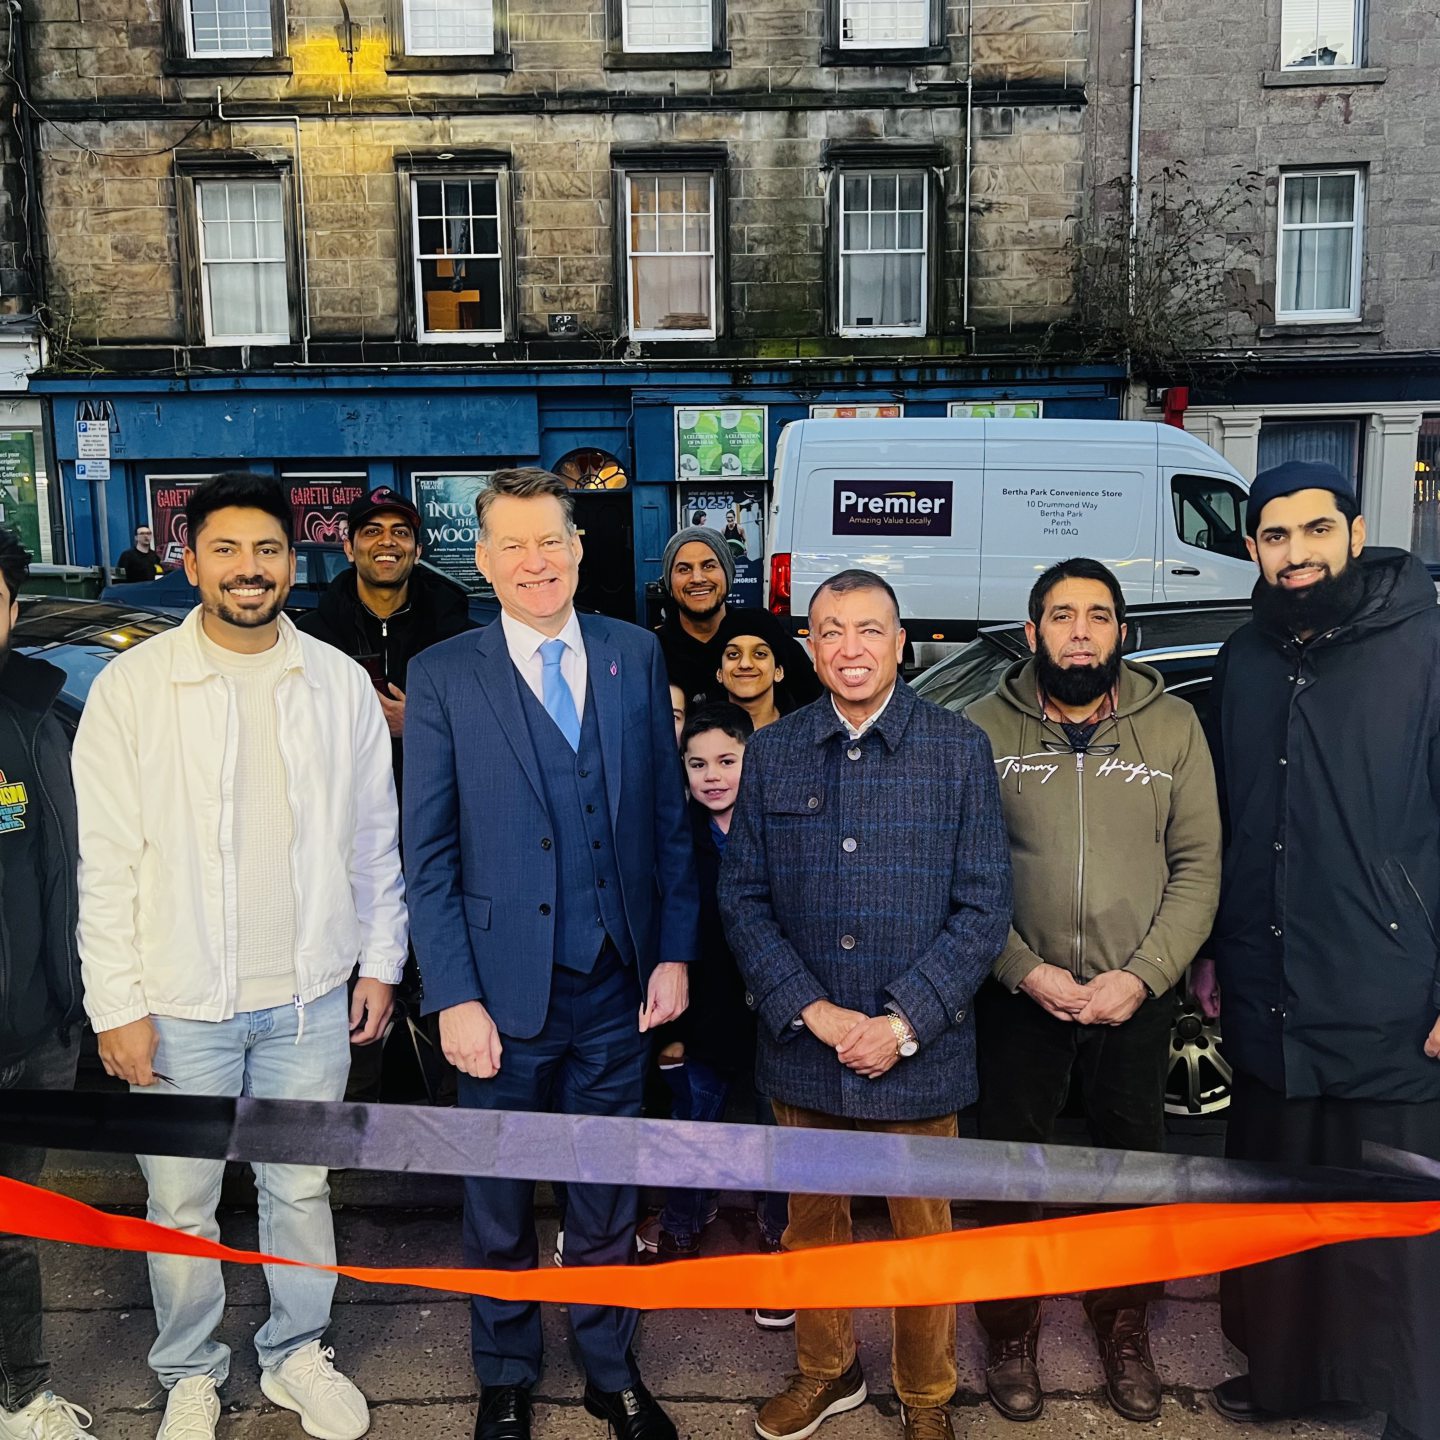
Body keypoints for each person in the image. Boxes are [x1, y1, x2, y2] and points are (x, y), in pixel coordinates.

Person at [72, 472, 406, 1440]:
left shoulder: (337, 684)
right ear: (188, 562)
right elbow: (107, 862)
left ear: (291, 564)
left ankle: (299, 1351)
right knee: (180, 1203)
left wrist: (380, 962)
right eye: (225, 550)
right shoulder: (135, 690)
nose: (248, 569)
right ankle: (189, 1369)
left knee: (299, 1187)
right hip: (177, 1002)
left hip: (307, 999)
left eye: (266, 551)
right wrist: (115, 1007)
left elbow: (371, 843)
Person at [403, 466, 699, 1440]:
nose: (536, 562)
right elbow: (430, 849)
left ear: (579, 550)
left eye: (552, 542)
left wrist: (670, 952)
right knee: (496, 1201)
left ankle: (608, 1368)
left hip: (618, 991)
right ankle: (504, 1373)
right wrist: (451, 995)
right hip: (498, 995)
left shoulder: (634, 654)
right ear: (483, 560)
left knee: (605, 1189)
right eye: (513, 546)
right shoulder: (447, 675)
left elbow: (666, 820)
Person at [720, 568, 1012, 1440]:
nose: (850, 648)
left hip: (918, 1048)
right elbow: (743, 899)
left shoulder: (958, 749)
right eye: (830, 631)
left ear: (901, 643)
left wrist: (901, 1022)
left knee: (923, 1236)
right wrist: (813, 1012)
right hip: (805, 1047)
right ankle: (826, 1369)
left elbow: (984, 905)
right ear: (807, 648)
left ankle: (927, 1395)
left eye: (869, 630)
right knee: (814, 1227)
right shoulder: (772, 750)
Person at [1196, 460, 1440, 1440]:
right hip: (1268, 993)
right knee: (1276, 1212)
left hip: (1390, 990)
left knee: (1393, 1229)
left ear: (1357, 528)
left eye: (1314, 530)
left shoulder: (1425, 645)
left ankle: (1414, 1407)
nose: (1295, 554)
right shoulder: (1243, 657)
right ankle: (1287, 1377)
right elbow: (1229, 815)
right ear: (1253, 547)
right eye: (1275, 536)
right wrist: (1215, 950)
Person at [965, 557, 1221, 1424]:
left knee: (1132, 1170)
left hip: (1135, 997)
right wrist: (1021, 969)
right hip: (1015, 993)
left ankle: (1123, 1324)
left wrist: (1143, 977)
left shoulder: (1175, 727)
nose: (1081, 632)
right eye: (1063, 615)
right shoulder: (978, 731)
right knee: (1005, 1171)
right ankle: (1007, 1326)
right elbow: (960, 877)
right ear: (1032, 631)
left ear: (1121, 633)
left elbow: (1196, 870)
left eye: (1099, 616)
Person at [637, 702, 794, 1330]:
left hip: (775, 1019)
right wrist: (670, 1031)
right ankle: (681, 1227)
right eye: (697, 763)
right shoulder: (676, 842)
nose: (712, 775)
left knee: (776, 1136)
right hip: (703, 1016)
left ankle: (778, 1241)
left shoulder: (778, 832)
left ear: (752, 760)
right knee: (691, 1129)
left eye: (727, 760)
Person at [0, 529, 94, 1440]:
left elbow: (75, 867)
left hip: (34, 1034)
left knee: (12, 1233)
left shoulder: (43, 714)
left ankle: (22, 1393)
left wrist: (73, 1004)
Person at [297, 485, 475, 787]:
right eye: (372, 531)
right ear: (349, 549)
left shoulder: (461, 638)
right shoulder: (310, 638)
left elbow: (491, 729)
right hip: (347, 812)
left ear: (417, 552)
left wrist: (418, 724)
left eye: (401, 532)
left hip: (436, 809)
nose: (387, 541)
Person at [654, 525, 821, 712]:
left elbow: (815, 703)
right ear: (669, 581)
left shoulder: (762, 630)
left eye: (709, 566)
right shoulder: (653, 651)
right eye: (684, 569)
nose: (697, 578)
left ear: (727, 573)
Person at [714, 607, 789, 732]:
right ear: (719, 673)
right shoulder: (700, 734)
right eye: (733, 654)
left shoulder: (805, 732)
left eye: (760, 654)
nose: (745, 664)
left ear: (779, 671)